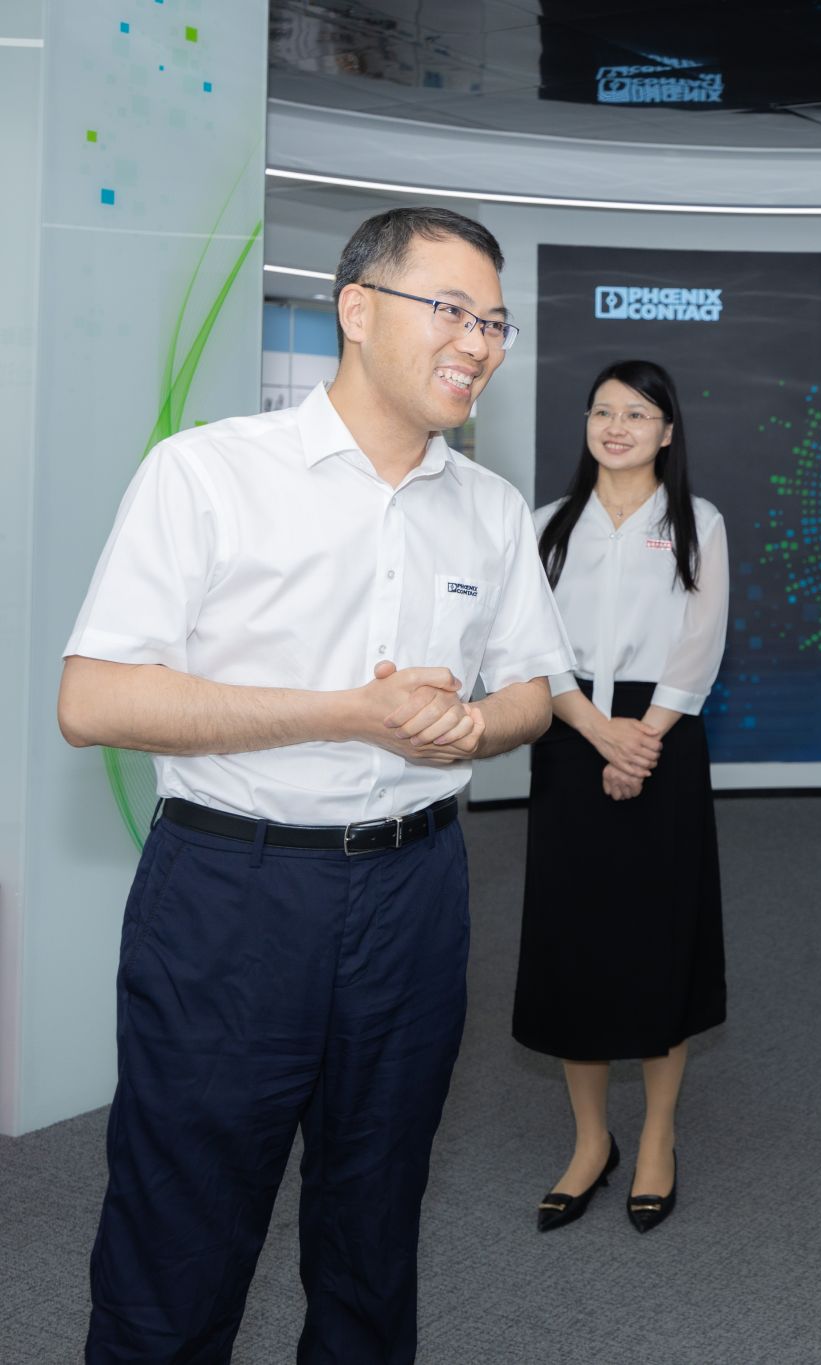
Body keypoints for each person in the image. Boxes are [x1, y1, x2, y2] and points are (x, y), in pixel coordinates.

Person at [57, 206, 570, 1363]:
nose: (478, 343)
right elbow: (93, 700)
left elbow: (533, 692)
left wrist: (471, 725)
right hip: (232, 896)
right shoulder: (208, 473)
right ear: (357, 310)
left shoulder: (489, 508)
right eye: (451, 310)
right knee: (179, 1236)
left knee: (375, 1225)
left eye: (495, 322)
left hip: (416, 896)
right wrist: (346, 712)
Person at [511, 359, 730, 1236]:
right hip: (571, 736)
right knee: (577, 944)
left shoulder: (697, 521)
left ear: (667, 432)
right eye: (602, 411)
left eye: (636, 414)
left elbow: (700, 643)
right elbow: (531, 646)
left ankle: (659, 1137)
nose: (615, 427)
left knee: (657, 942)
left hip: (664, 740)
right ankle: (591, 1141)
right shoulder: (545, 525)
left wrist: (641, 740)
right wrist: (601, 734)